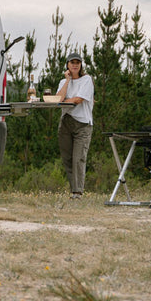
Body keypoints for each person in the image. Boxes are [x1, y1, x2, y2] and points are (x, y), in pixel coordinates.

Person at [54, 54, 94, 196]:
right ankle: (73, 190)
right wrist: (67, 80)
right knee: (68, 158)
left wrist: (63, 101)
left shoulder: (86, 80)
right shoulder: (63, 82)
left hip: (82, 124)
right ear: (67, 65)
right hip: (66, 122)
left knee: (78, 159)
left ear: (81, 65)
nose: (75, 65)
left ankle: (78, 191)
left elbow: (78, 100)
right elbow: (58, 98)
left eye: (78, 63)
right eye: (72, 63)